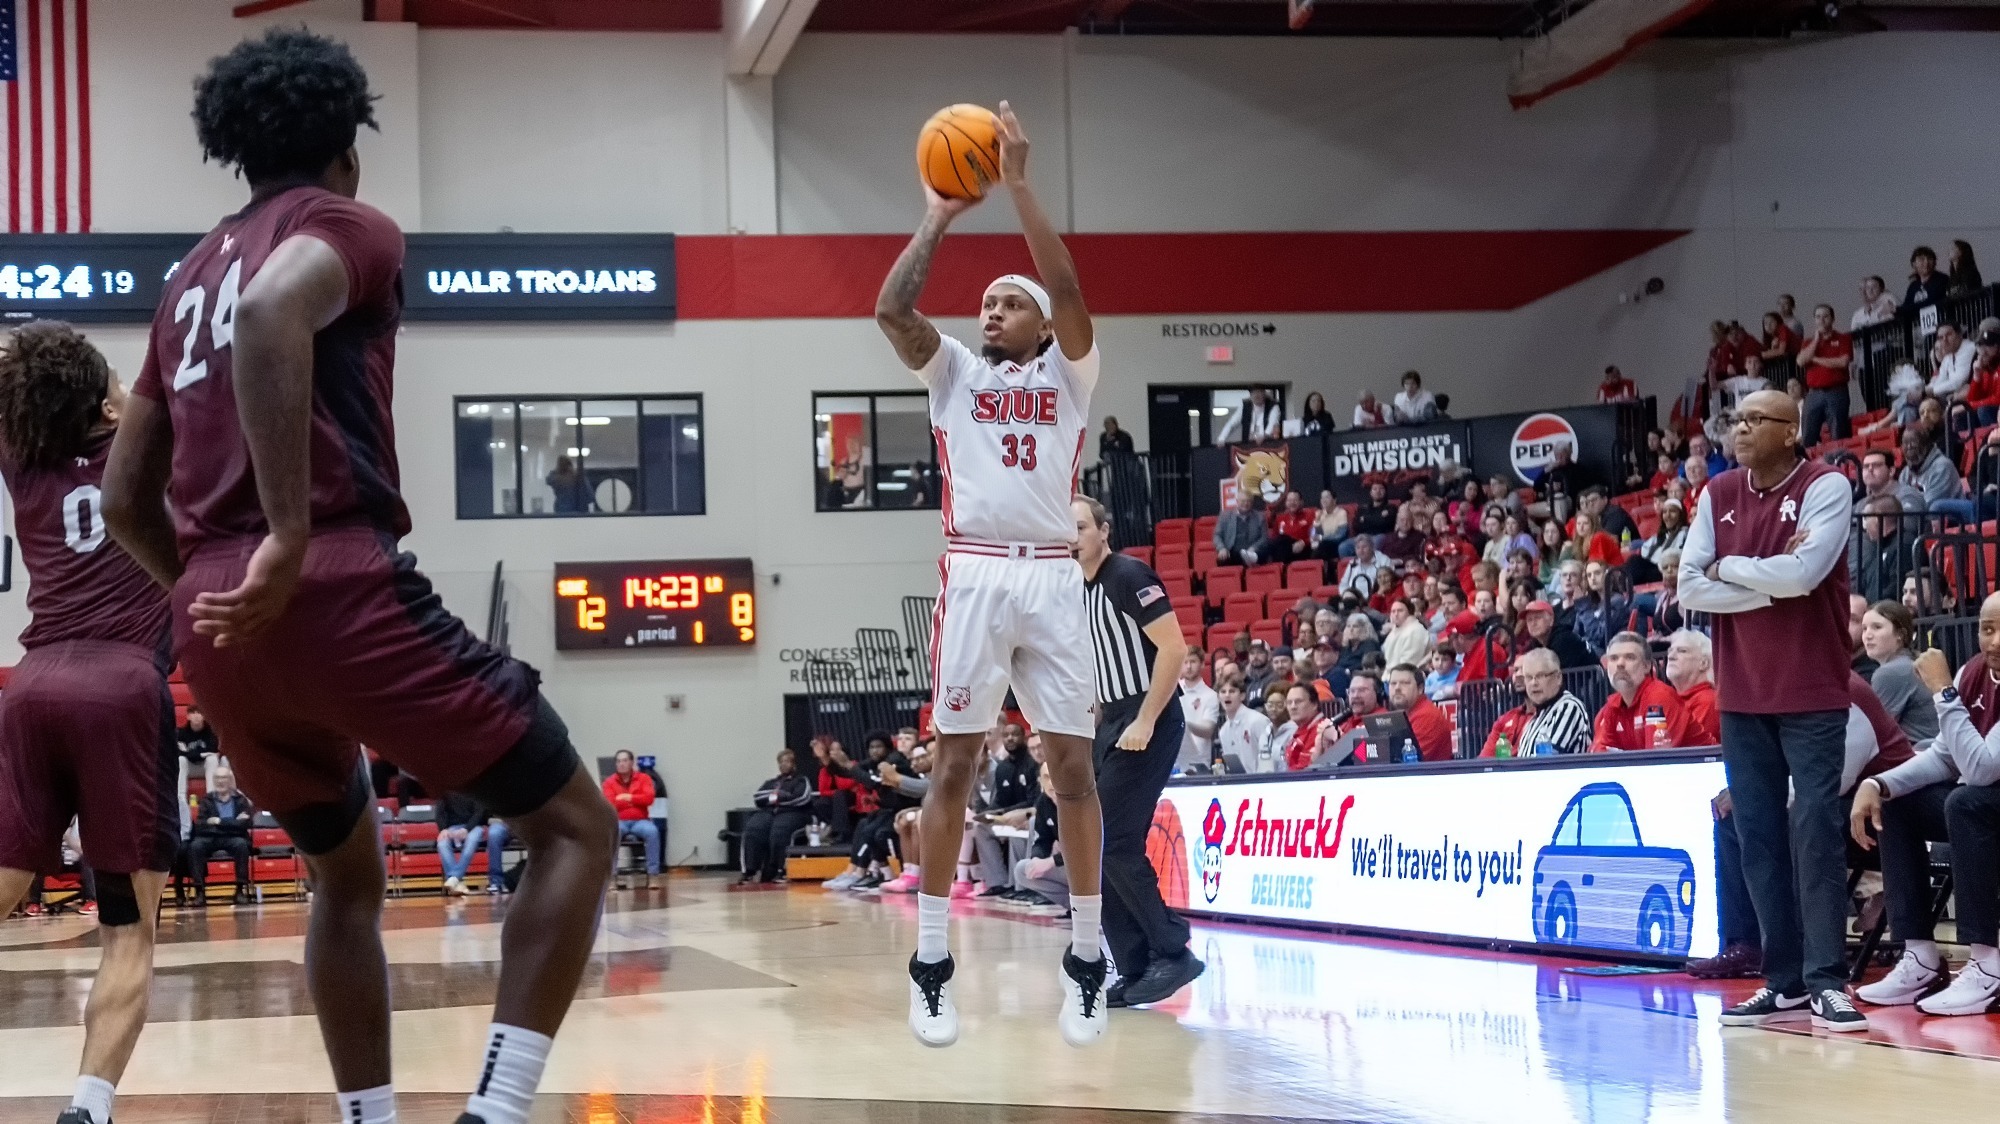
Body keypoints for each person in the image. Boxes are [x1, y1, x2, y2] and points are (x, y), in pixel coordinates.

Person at [101, 33, 622, 1124]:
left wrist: (209, 588)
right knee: (575, 824)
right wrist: (286, 537)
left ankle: (369, 1118)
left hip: (222, 626)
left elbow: (121, 501)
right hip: (334, 581)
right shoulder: (347, 225)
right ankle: (499, 1107)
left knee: (345, 874)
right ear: (346, 151)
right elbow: (270, 312)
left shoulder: (185, 274)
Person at [872, 101, 1110, 1047]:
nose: (989, 312)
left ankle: (1088, 958)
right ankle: (932, 961)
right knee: (956, 767)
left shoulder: (1071, 375)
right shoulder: (957, 375)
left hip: (1052, 578)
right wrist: (937, 212)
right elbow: (892, 311)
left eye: (1007, 304)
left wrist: (1015, 185)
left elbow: (1070, 284)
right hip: (974, 576)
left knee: (1073, 772)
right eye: (986, 306)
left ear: (1043, 324)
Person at [0, 318, 179, 1123]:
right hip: (121, 692)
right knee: (127, 930)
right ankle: (88, 1108)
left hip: (31, 689)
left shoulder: (20, 453)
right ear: (103, 400)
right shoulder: (150, 453)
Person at [1676, 387, 1866, 1031]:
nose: (1740, 429)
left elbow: (1806, 574)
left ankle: (1827, 981)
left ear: (1791, 431)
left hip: (1812, 690)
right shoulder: (1718, 492)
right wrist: (1767, 580)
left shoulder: (1827, 485)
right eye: (1737, 419)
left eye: (1757, 419)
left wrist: (1730, 567)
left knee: (1814, 832)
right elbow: (1688, 585)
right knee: (1756, 837)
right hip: (1743, 693)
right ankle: (1782, 980)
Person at [1691, 670, 1915, 981]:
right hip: (1842, 807)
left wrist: (1757, 795)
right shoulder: (1788, 689)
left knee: (1805, 818)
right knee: (1736, 821)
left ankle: (1814, 953)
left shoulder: (1845, 691)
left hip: (1887, 812)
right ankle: (1746, 943)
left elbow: (1830, 781)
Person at [1849, 606, 2000, 1016]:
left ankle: (1987, 964)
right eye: (1988, 629)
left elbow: (1984, 769)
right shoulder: (1974, 672)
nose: (1996, 641)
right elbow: (1944, 756)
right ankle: (1919, 957)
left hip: (1985, 799)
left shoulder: (1955, 683)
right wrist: (1878, 784)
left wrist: (1944, 694)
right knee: (1899, 805)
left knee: (1966, 802)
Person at [1480, 649, 1591, 757]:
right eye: (1528, 677)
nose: (1533, 683)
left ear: (1558, 677)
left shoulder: (1569, 707)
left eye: (1540, 676)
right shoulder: (1535, 719)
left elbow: (1546, 762)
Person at [1591, 632, 1691, 751]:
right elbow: (1601, 759)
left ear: (1647, 666)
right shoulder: (1612, 706)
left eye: (1630, 657)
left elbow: (1656, 760)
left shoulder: (1658, 697)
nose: (1620, 664)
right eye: (1613, 658)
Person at [1860, 600, 1938, 744]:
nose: (1867, 635)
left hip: (1920, 753)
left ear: (1900, 635)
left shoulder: (1891, 672)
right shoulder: (1905, 664)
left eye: (1877, 627)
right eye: (1864, 629)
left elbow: (1875, 732)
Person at [737, 750, 813, 886]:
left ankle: (781, 870)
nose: (784, 765)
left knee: (780, 830)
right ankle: (749, 871)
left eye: (787, 761)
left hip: (794, 813)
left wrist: (773, 798)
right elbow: (758, 798)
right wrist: (781, 796)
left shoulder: (801, 780)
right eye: (781, 762)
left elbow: (801, 798)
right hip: (770, 813)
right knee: (753, 828)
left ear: (794, 764)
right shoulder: (771, 782)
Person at [1795, 303, 1853, 443]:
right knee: (1808, 434)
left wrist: (1815, 359)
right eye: (1818, 317)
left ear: (1832, 319)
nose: (1821, 320)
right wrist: (1816, 340)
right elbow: (1801, 361)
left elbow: (1842, 362)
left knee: (1838, 432)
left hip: (1836, 391)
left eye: (1825, 316)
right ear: (1814, 320)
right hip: (1813, 393)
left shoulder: (1843, 338)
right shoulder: (1808, 341)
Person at [604, 751, 662, 890]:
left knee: (653, 832)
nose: (621, 764)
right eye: (618, 761)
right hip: (619, 821)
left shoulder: (644, 778)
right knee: (611, 833)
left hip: (640, 821)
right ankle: (612, 877)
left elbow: (649, 799)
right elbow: (609, 803)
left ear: (631, 763)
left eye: (624, 760)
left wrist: (627, 797)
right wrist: (635, 800)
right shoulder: (609, 782)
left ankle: (653, 876)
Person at [1664, 630, 1721, 746]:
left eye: (1682, 651)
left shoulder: (1708, 701)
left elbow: (1692, 750)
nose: (1671, 656)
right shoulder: (1671, 699)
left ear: (1703, 663)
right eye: (1670, 651)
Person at [1384, 664, 1453, 761]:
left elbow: (1409, 760)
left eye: (1405, 683)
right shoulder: (1407, 713)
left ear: (1420, 688)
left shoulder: (1427, 715)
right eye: (1393, 683)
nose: (1397, 688)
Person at [434, 791, 488, 897]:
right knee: (442, 843)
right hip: (452, 827)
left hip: (474, 826)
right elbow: (439, 812)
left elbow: (479, 812)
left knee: (471, 840)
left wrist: (467, 829)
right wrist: (443, 829)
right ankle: (457, 883)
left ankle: (454, 878)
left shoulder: (475, 788)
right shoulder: (446, 789)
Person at [1212, 486, 1266, 566]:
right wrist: (1221, 548)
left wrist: (1253, 548)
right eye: (1243, 501)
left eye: (1249, 501)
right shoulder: (1225, 516)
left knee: (1264, 552)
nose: (1246, 504)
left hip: (1251, 552)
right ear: (1237, 501)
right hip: (1232, 551)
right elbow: (1217, 535)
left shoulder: (1259, 517)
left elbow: (1264, 538)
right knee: (1223, 559)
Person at [1258, 489, 1315, 564]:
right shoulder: (1280, 518)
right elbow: (1274, 538)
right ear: (1285, 503)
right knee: (1279, 541)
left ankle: (1257, 557)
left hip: (1302, 549)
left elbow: (1316, 536)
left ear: (1301, 502)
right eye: (1289, 500)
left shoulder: (1310, 515)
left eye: (1295, 500)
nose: (1292, 503)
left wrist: (1304, 542)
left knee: (1283, 538)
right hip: (1283, 551)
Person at [1927, 321, 1977, 401]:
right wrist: (1925, 391)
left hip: (1970, 398)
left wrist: (1932, 391)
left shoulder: (1969, 348)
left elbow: (1958, 382)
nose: (1944, 340)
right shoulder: (1949, 355)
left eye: (1949, 335)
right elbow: (1940, 379)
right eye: (1940, 337)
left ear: (1959, 335)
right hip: (1955, 396)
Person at [1216, 385, 1283, 444]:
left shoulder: (1273, 406)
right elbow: (1232, 423)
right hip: (1248, 444)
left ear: (1264, 394)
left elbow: (1273, 423)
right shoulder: (1245, 406)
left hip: (1268, 444)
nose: (1257, 395)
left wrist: (1265, 435)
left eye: (1259, 392)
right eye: (1254, 393)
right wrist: (1222, 438)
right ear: (1250, 395)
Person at [1905, 245, 1950, 317]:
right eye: (1921, 259)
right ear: (1914, 264)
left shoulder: (1942, 279)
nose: (1926, 262)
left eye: (1929, 259)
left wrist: (1901, 310)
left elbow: (1932, 301)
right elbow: (1907, 305)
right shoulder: (1913, 286)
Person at [1309, 489, 1349, 564]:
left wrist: (1321, 538)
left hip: (1336, 544)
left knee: (1321, 548)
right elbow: (1313, 535)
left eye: (1327, 497)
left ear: (1334, 500)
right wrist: (1317, 520)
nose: (1324, 500)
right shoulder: (1320, 513)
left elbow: (1340, 535)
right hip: (1323, 545)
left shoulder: (1341, 513)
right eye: (1322, 498)